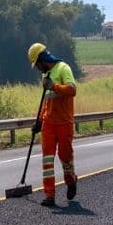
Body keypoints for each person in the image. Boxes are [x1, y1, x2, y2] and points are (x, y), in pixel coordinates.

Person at [27, 42, 77, 206]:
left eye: (37, 65)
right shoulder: (45, 75)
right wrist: (39, 121)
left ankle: (71, 181)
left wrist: (54, 86)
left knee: (65, 157)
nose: (37, 69)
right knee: (47, 160)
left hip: (64, 123)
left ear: (42, 59)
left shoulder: (63, 68)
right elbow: (46, 102)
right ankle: (49, 195)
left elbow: (72, 90)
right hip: (49, 123)